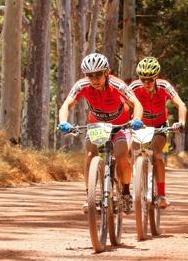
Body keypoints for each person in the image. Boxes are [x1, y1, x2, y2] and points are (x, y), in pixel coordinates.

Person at [58, 53, 144, 213]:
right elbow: (66, 105)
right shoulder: (81, 85)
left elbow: (136, 103)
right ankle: (89, 196)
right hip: (97, 126)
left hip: (121, 125)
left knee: (121, 156)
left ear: (106, 72)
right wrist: (63, 121)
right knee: (90, 155)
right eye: (90, 75)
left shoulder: (117, 85)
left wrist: (137, 119)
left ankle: (125, 191)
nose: (94, 79)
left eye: (98, 74)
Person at [129, 56, 187, 208]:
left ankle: (161, 194)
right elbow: (123, 104)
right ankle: (133, 187)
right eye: (143, 79)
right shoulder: (134, 87)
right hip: (140, 127)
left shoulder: (164, 86)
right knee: (133, 153)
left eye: (150, 79)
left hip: (160, 126)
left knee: (156, 153)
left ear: (156, 77)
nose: (146, 83)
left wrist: (181, 122)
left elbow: (181, 104)